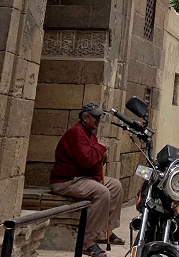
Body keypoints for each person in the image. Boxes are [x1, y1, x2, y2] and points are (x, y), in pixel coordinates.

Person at [50, 103, 124, 257]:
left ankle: (105, 232)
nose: (98, 120)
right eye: (95, 117)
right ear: (85, 118)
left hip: (84, 177)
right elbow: (85, 160)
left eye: (99, 117)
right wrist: (100, 148)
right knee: (102, 192)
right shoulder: (76, 133)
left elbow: (93, 159)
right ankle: (88, 241)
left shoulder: (89, 133)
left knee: (115, 186)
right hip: (68, 181)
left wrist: (101, 154)